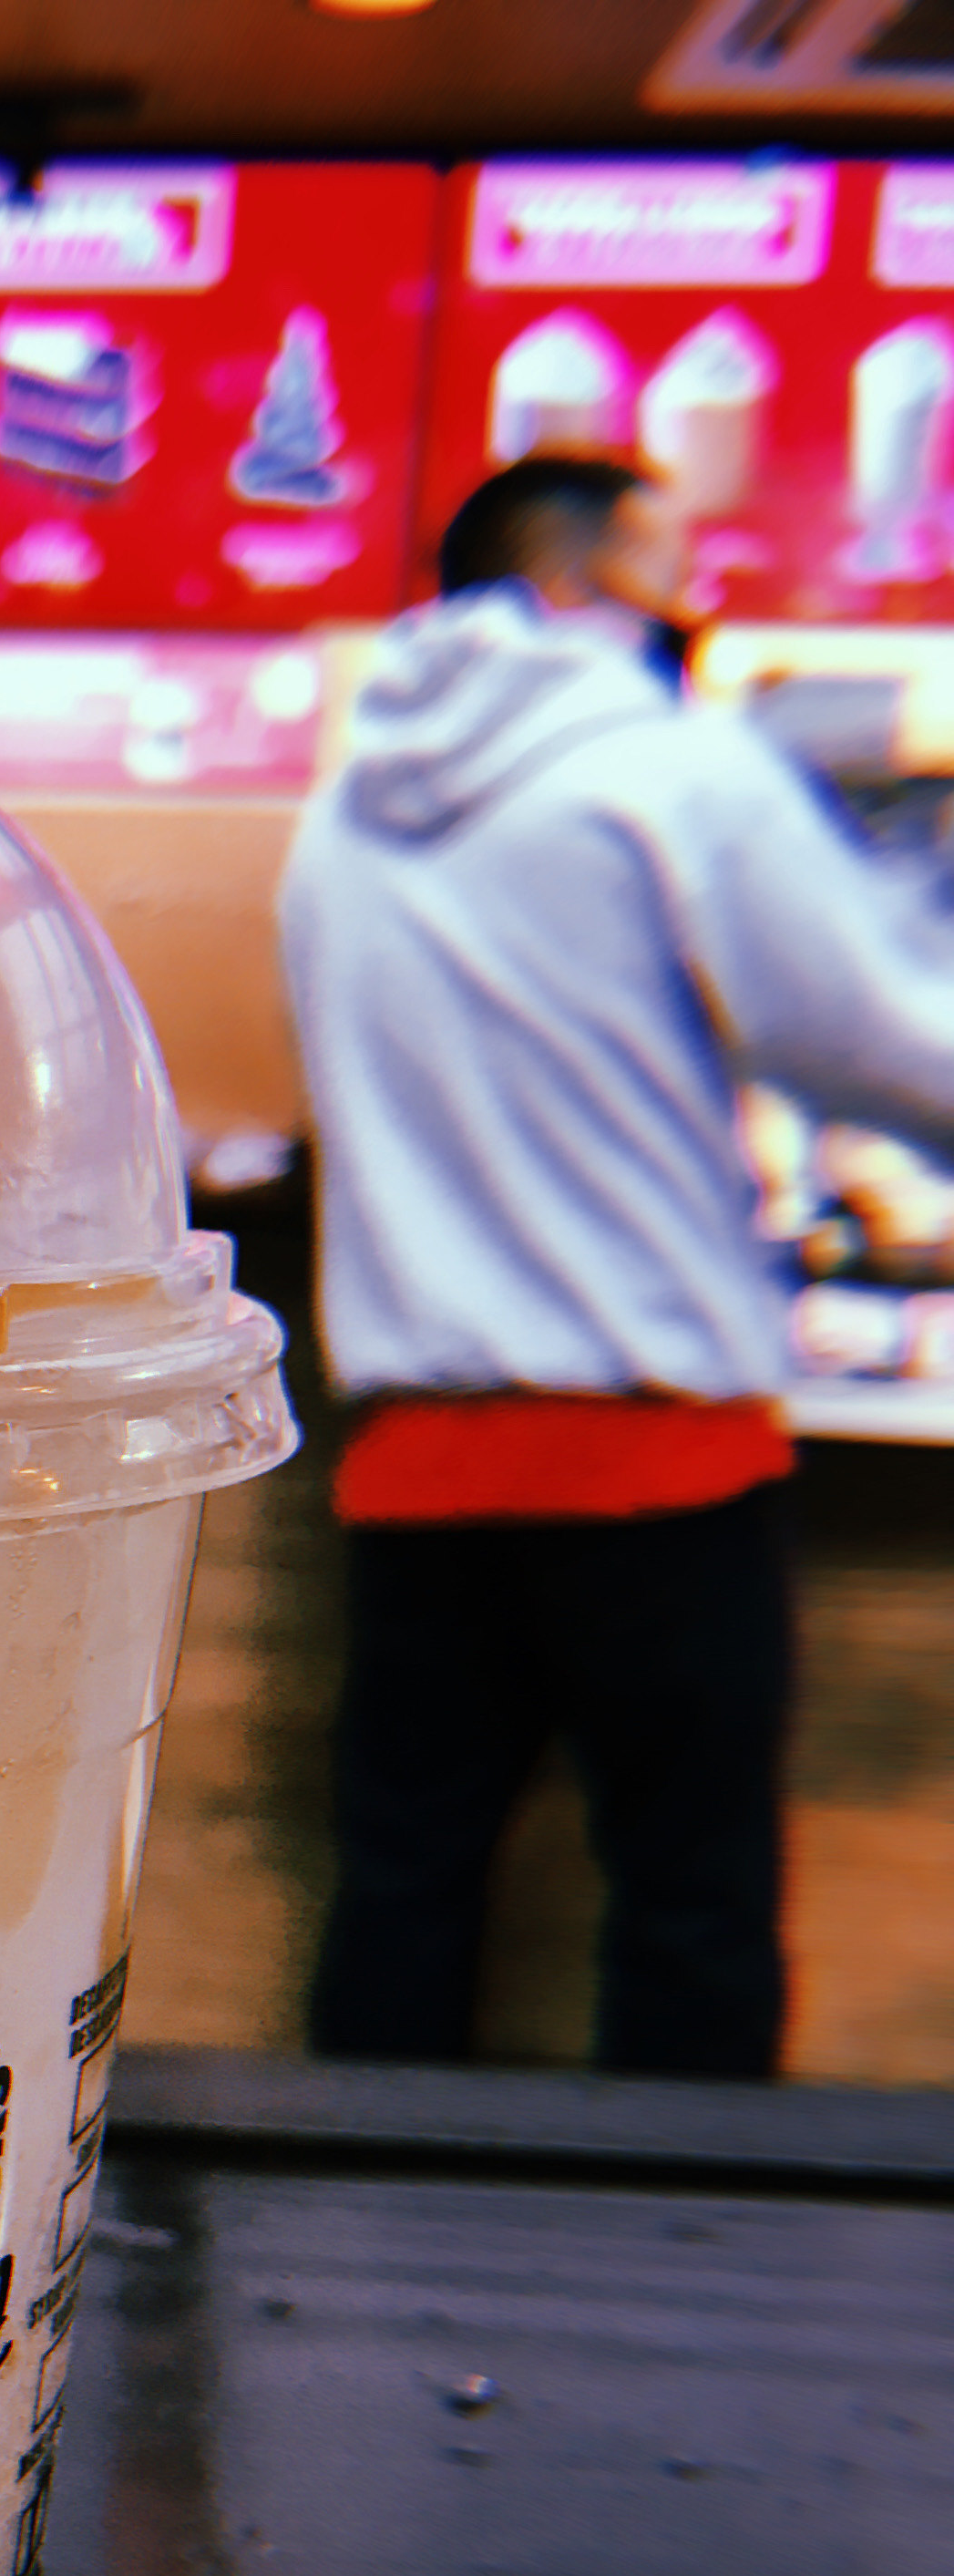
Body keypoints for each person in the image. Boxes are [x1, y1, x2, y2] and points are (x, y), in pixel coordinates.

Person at [281, 452, 954, 2078]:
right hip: (657, 1455)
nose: (696, 602)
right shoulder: (674, 769)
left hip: (416, 1465)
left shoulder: (338, 821)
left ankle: (358, 2222)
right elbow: (883, 1036)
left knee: (405, 1895)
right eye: (676, 567)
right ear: (575, 578)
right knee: (691, 1910)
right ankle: (688, 2234)